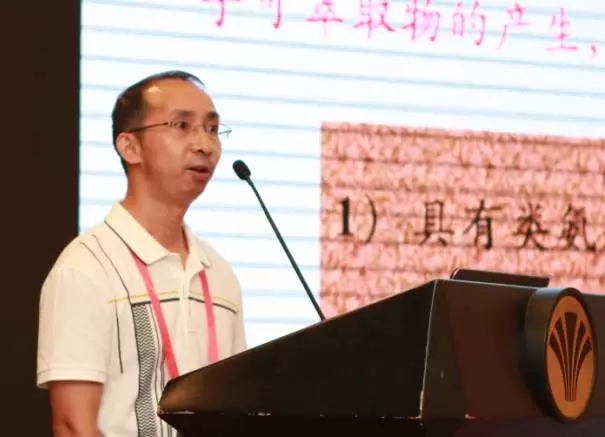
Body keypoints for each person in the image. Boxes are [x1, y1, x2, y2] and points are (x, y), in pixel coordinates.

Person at [36, 71, 247, 437]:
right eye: (181, 125)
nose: (204, 144)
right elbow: (73, 426)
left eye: (212, 129)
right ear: (130, 147)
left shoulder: (218, 274)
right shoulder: (86, 268)